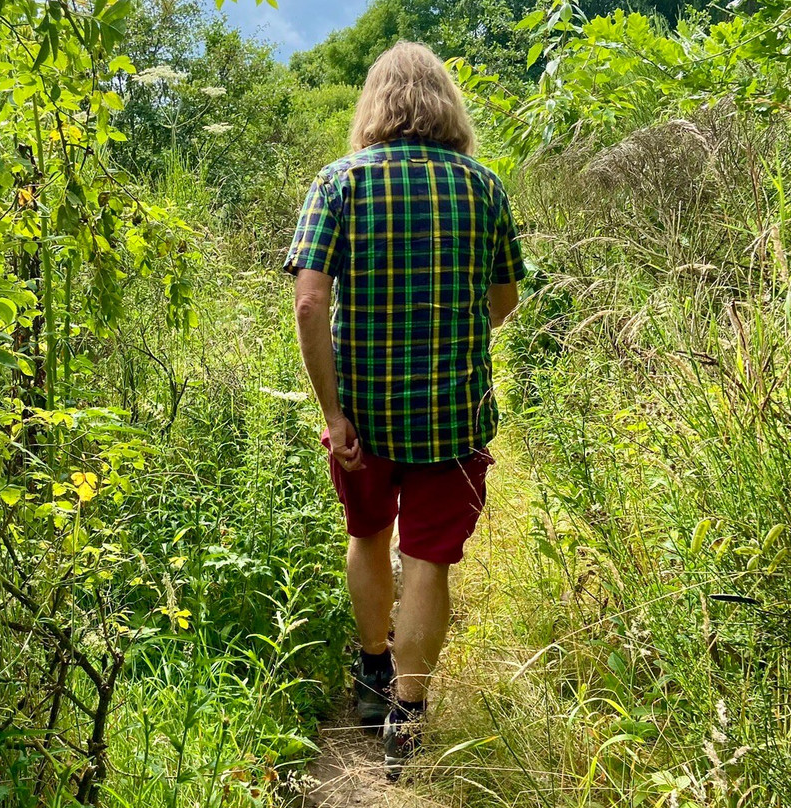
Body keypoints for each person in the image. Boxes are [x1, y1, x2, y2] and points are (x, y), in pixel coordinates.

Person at [284, 41, 525, 781]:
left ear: (373, 104)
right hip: (453, 416)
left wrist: (334, 408)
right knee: (428, 559)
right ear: (447, 104)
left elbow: (308, 300)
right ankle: (407, 716)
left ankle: (369, 675)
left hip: (361, 413)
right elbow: (504, 301)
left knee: (367, 534)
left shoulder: (338, 182)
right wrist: (451, 326)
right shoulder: (483, 188)